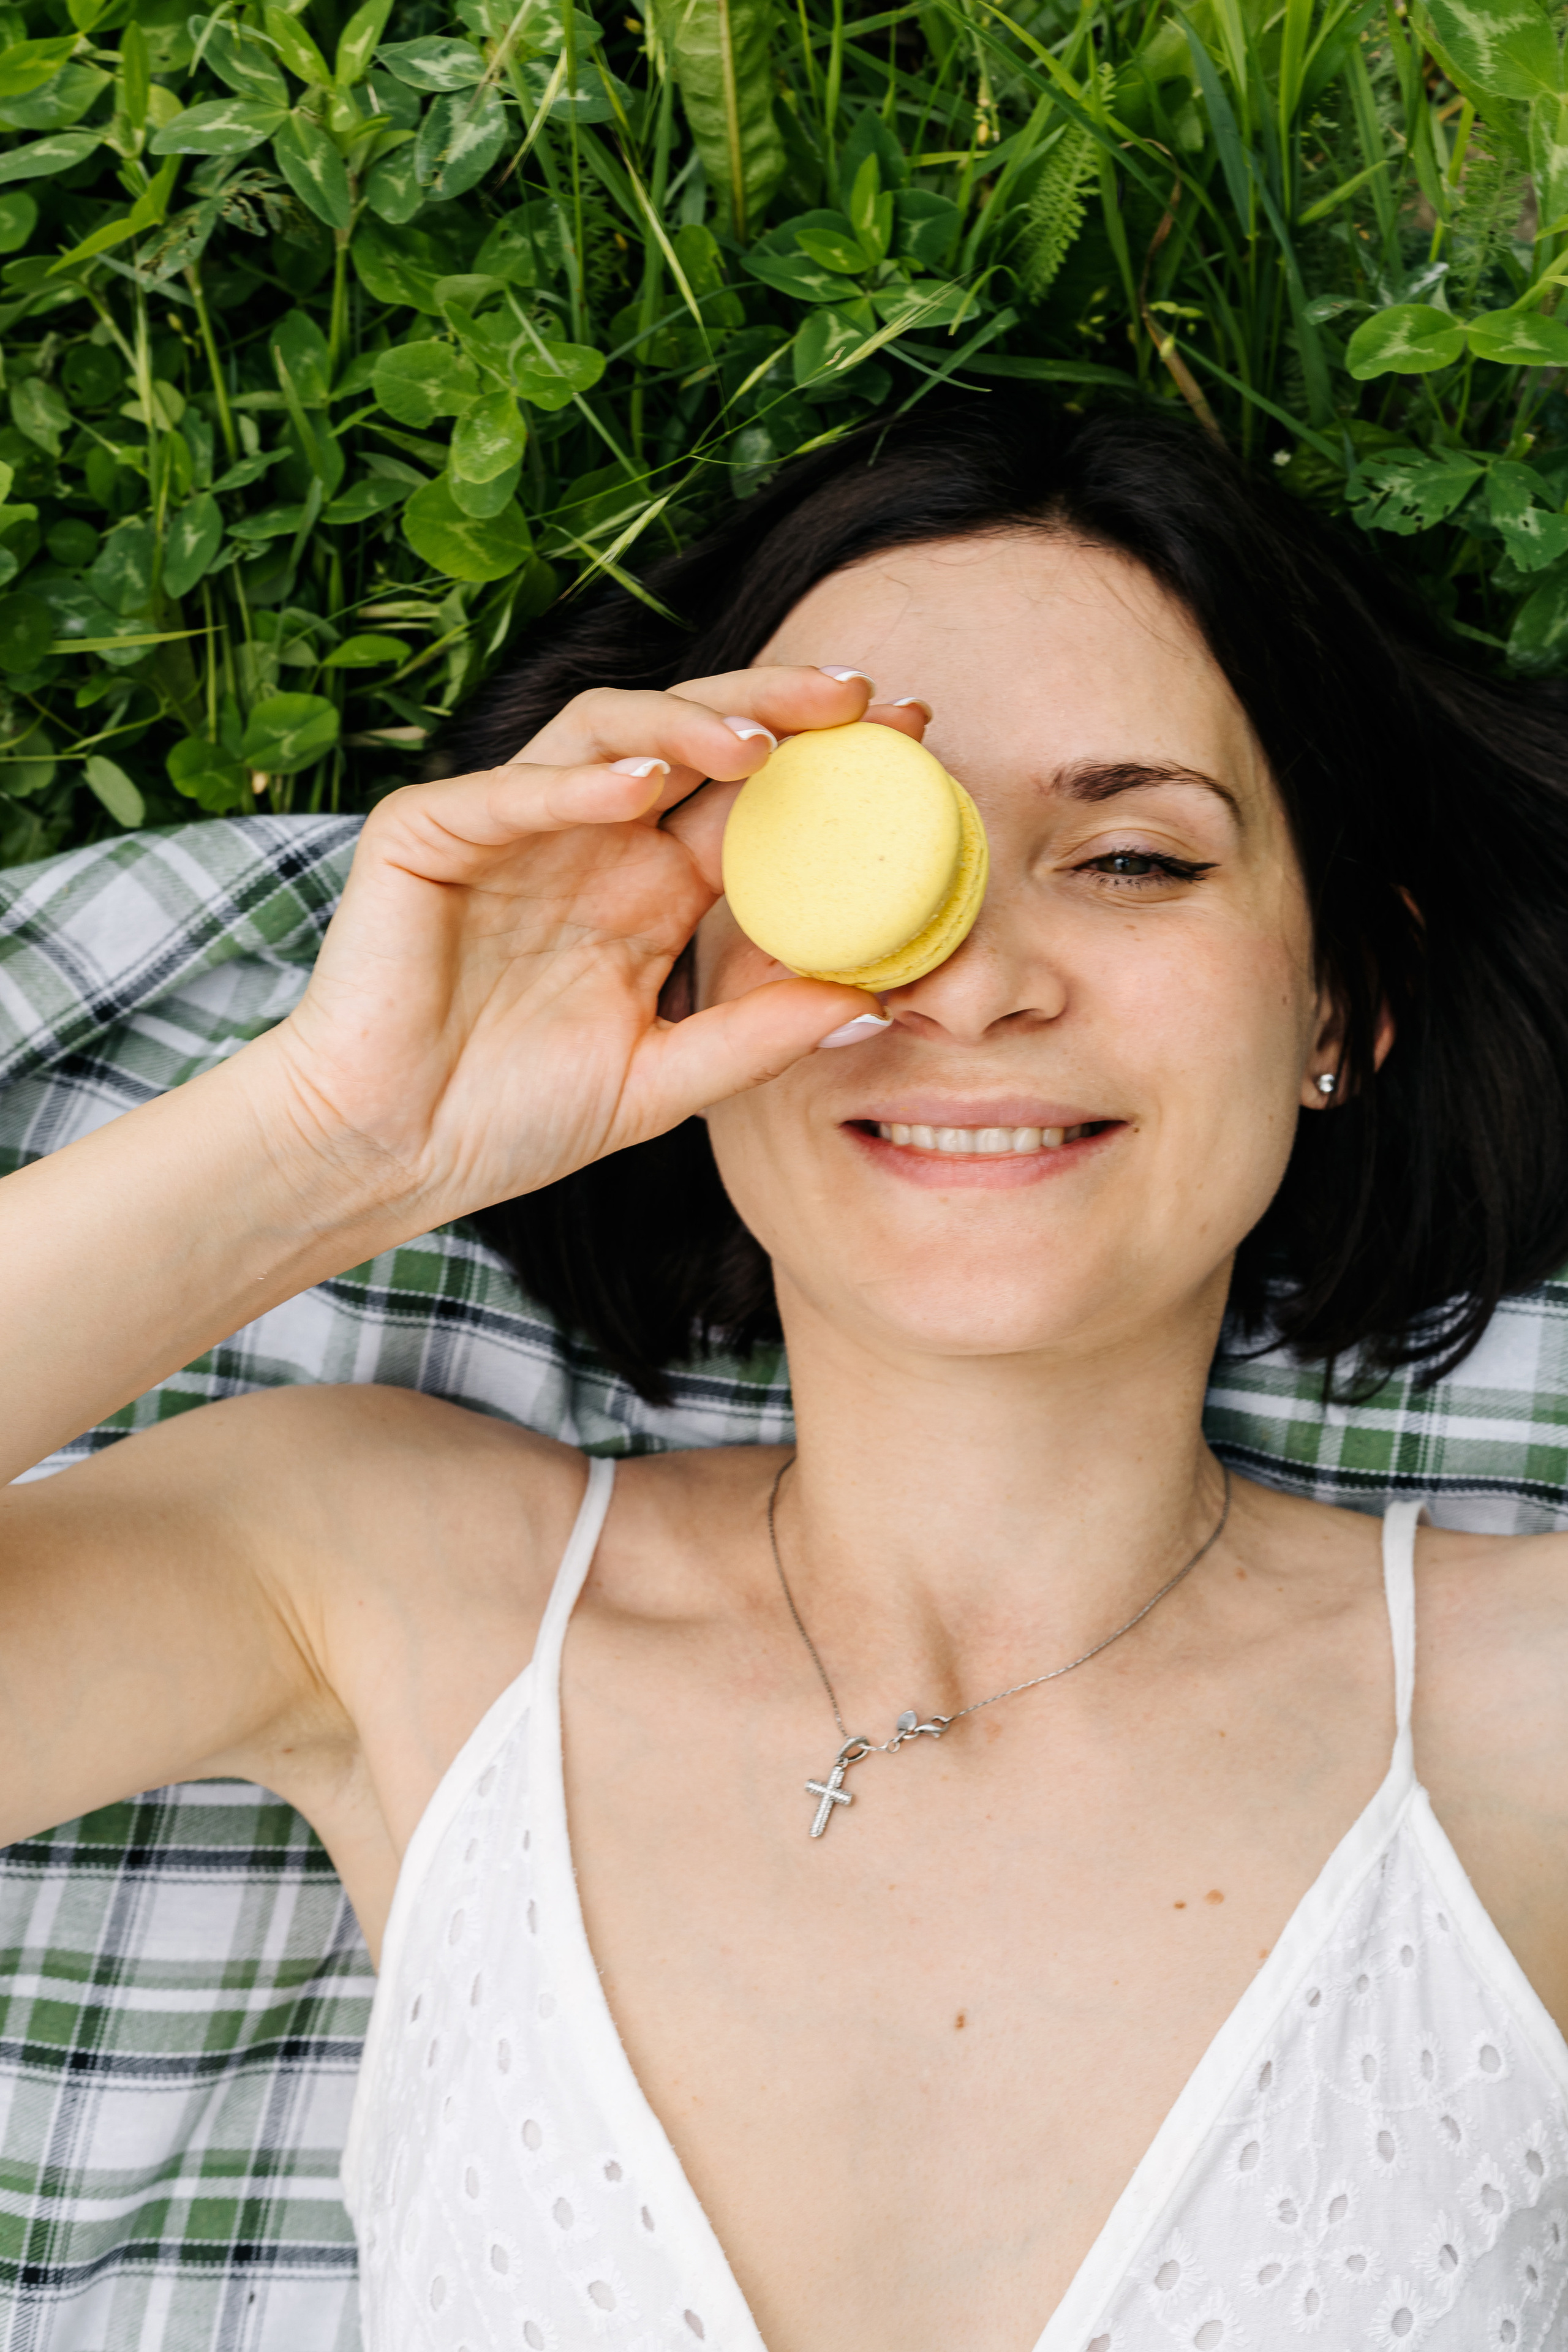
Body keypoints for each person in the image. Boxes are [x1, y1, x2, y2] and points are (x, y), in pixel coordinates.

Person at [5, 399, 1568, 2352]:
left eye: (1138, 858)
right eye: (861, 868)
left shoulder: (1535, 1708)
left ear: (1343, 998)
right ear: (687, 959)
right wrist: (343, 1135)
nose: (979, 981)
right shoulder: (382, 1577)